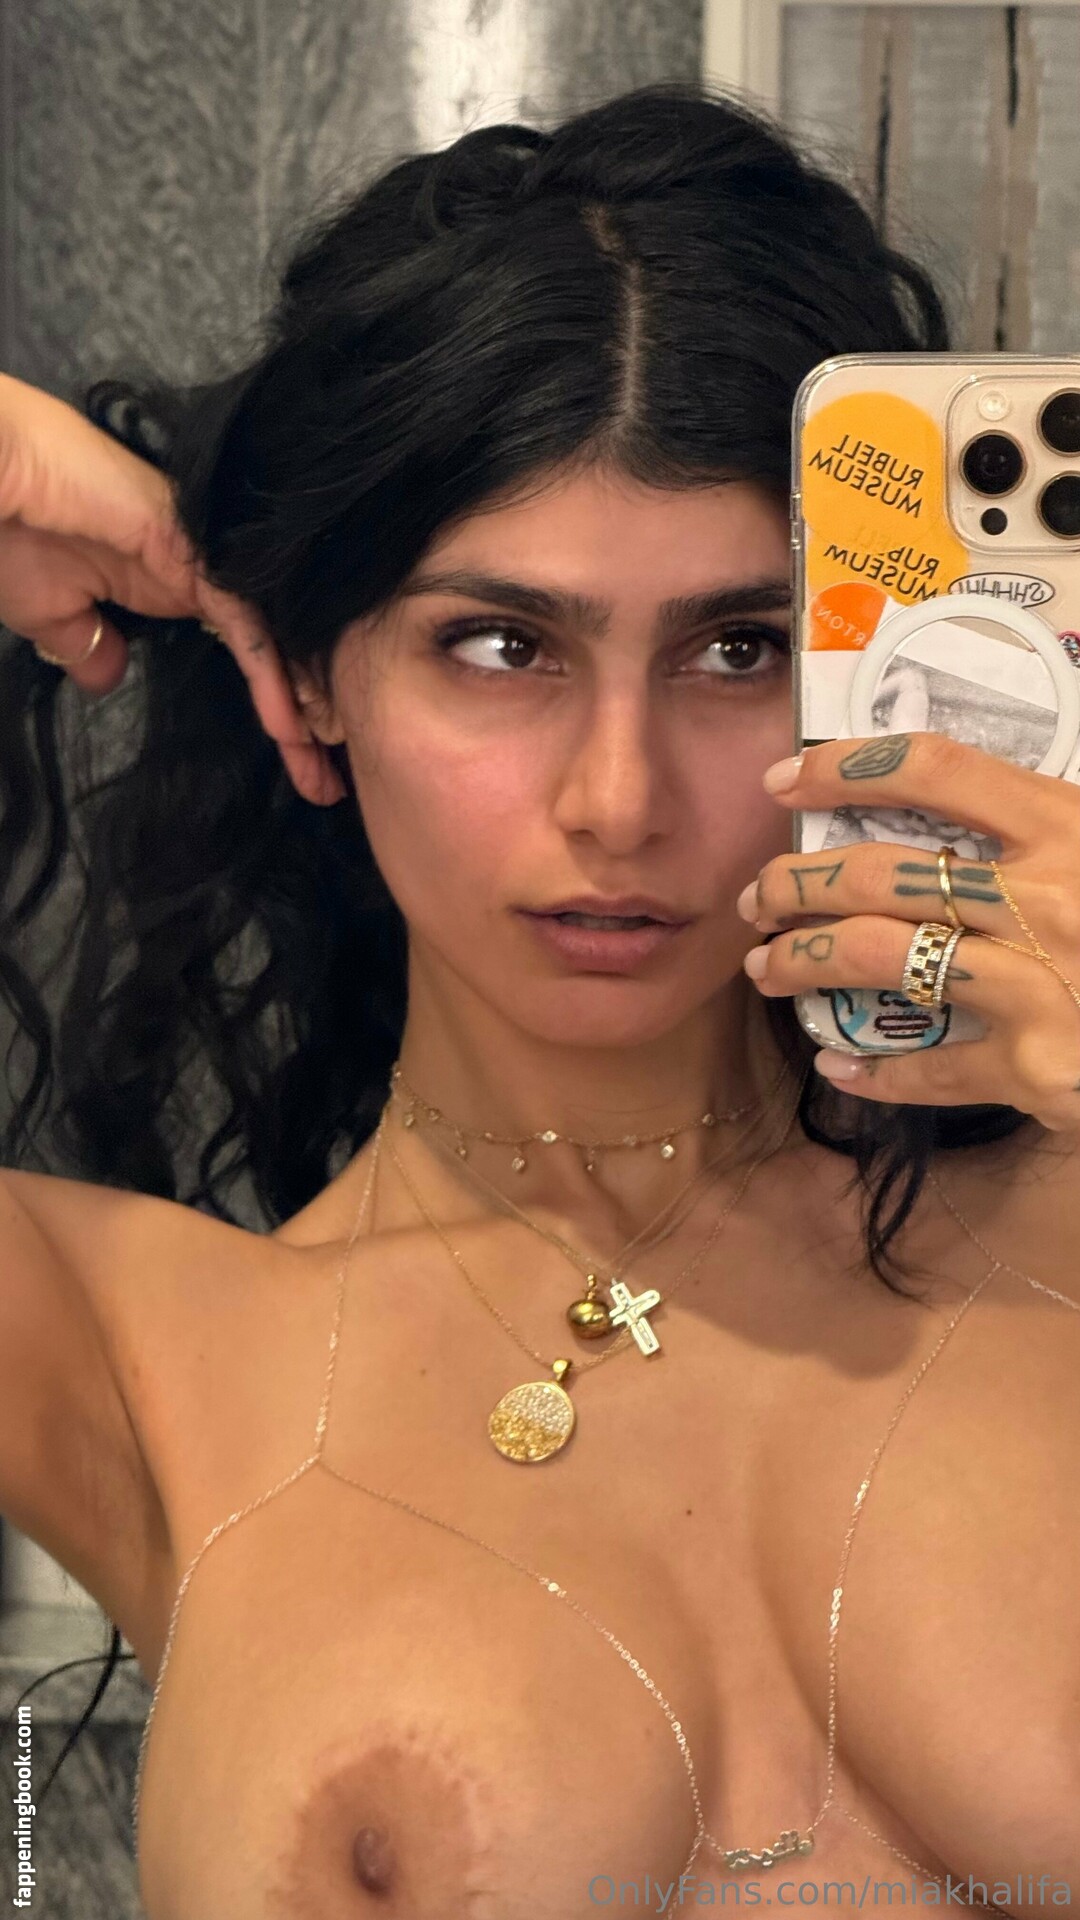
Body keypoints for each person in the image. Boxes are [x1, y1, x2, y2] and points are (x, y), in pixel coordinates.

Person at [0, 82, 1077, 1920]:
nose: (619, 799)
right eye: (501, 646)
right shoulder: (136, 1351)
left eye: (738, 647)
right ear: (312, 673)